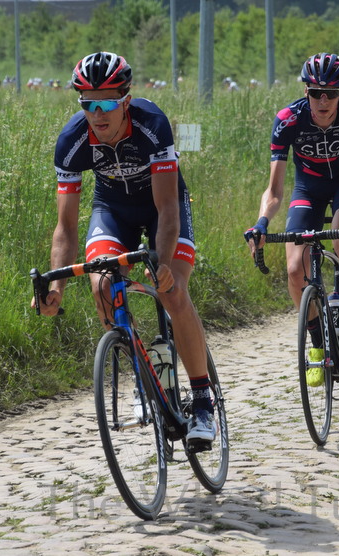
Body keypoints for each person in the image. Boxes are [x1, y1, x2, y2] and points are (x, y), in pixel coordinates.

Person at [32, 51, 216, 443]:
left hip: (161, 210)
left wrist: (162, 264)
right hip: (113, 210)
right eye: (87, 104)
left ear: (125, 101)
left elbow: (167, 208)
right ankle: (143, 374)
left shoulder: (152, 125)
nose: (97, 114)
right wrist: (57, 288)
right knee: (101, 282)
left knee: (173, 292)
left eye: (106, 103)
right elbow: (65, 227)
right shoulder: (71, 141)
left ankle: (202, 402)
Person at [244, 53, 339, 386]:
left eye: (331, 93)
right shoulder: (288, 119)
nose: (324, 100)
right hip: (309, 188)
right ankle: (318, 347)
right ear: (306, 92)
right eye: (316, 92)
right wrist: (261, 223)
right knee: (293, 268)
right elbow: (274, 191)